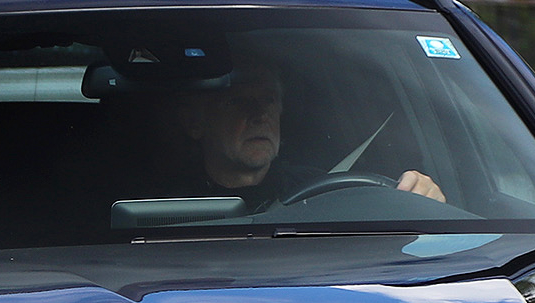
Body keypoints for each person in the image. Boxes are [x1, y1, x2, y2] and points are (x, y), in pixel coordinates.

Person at [175, 58, 445, 206]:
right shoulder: (163, 203)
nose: (259, 115)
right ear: (195, 123)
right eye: (236, 101)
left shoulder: (323, 191)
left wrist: (422, 196)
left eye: (268, 100)